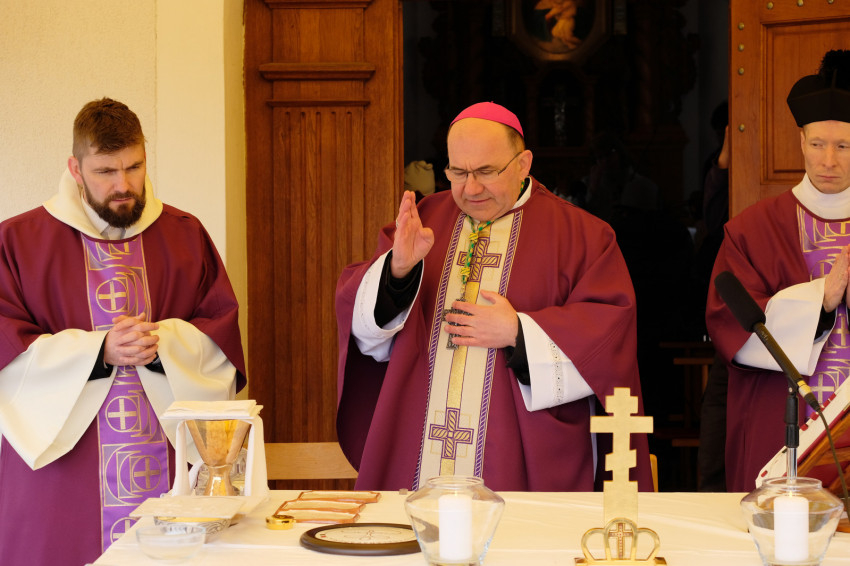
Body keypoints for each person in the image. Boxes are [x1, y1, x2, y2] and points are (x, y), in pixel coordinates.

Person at [335, 102, 652, 492]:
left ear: (523, 164)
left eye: (486, 171)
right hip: (419, 453)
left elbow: (610, 336)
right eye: (458, 172)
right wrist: (398, 270)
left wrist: (518, 332)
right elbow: (360, 322)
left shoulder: (583, 237)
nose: (471, 188)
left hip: (522, 459)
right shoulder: (424, 220)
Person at [0, 98, 246, 565]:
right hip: (62, 474)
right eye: (105, 171)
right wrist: (98, 351)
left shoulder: (185, 234)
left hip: (165, 456)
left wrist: (162, 345)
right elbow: (5, 349)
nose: (123, 185)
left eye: (134, 167)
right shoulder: (17, 241)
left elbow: (220, 334)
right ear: (75, 169)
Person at [706, 50, 850, 492]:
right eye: (817, 144)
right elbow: (728, 324)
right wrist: (820, 302)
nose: (828, 161)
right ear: (800, 141)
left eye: (844, 146)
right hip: (784, 424)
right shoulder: (753, 229)